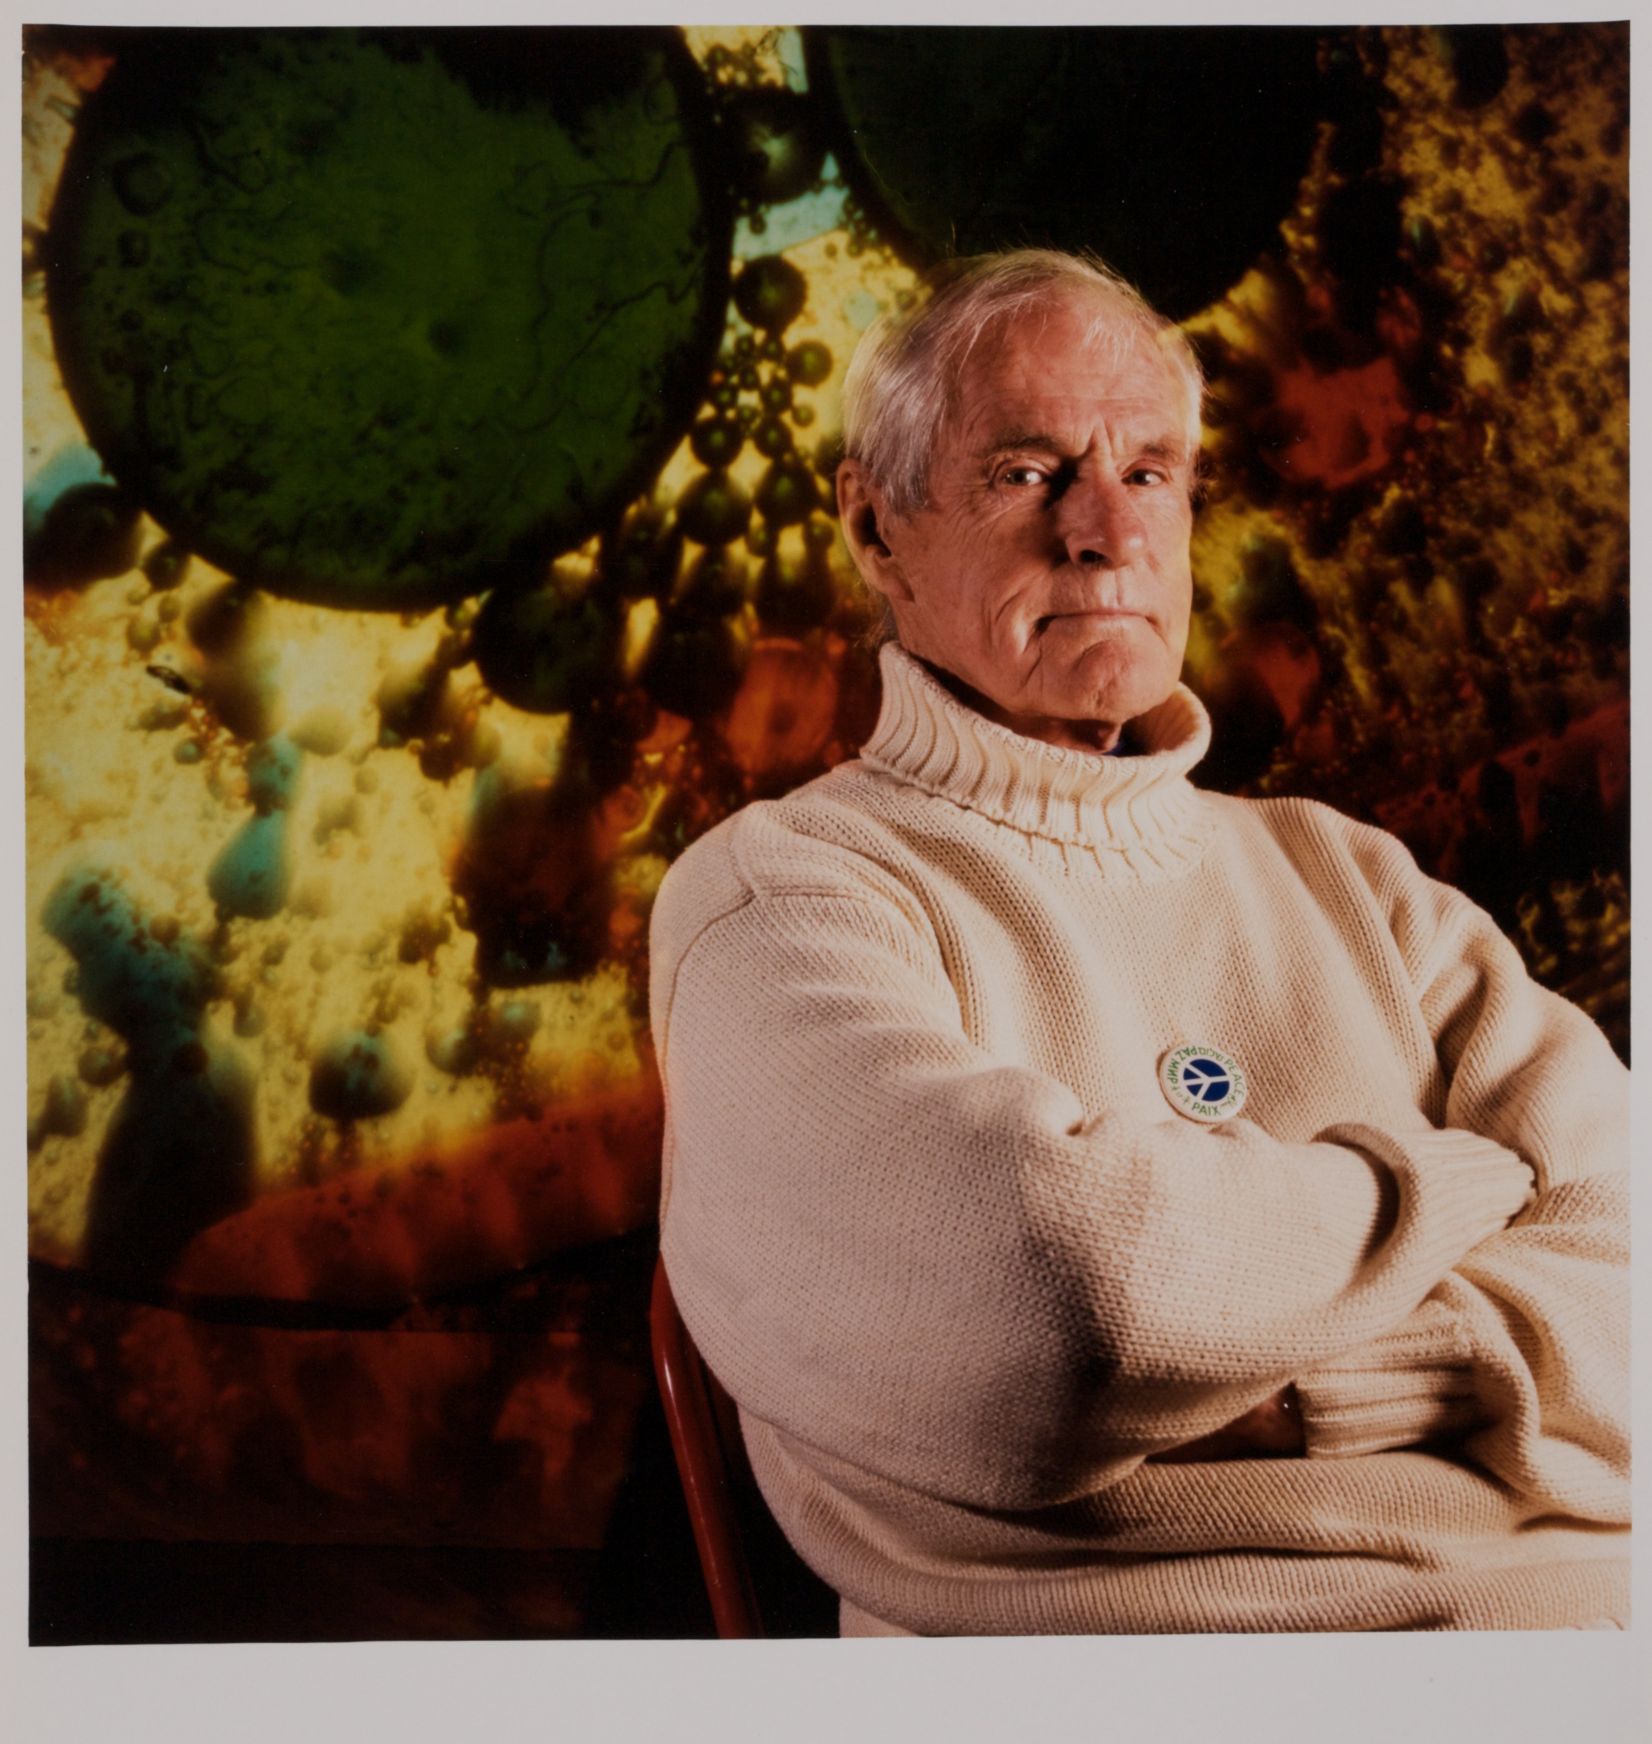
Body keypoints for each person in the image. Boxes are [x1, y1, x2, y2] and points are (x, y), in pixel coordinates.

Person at [647, 249, 1628, 1634]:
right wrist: (1454, 1188)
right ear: (876, 530)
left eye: (1150, 471)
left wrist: (1313, 1390)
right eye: (1026, 472)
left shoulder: (1352, 876)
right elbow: (1067, 1300)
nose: (1105, 530)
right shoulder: (782, 899)